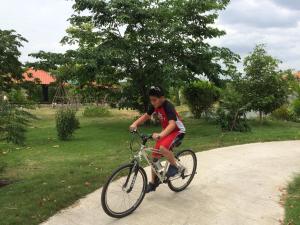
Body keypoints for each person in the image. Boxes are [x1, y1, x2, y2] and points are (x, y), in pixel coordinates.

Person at [129, 86, 186, 193]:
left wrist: (160, 135)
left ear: (162, 98)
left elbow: (173, 124)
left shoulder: (168, 106)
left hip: (178, 131)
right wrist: (135, 123)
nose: (152, 102)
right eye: (151, 100)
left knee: (162, 148)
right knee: (154, 157)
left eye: (154, 100)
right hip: (167, 131)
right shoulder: (155, 105)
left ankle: (175, 167)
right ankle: (153, 183)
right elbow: (146, 116)